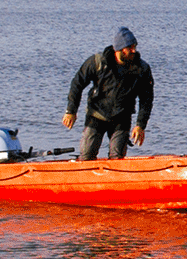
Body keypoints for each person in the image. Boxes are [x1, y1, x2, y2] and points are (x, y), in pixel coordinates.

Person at [63, 27, 154, 160]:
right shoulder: (98, 62)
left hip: (122, 118)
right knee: (87, 155)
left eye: (135, 46)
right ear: (119, 49)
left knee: (117, 157)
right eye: (130, 47)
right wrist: (71, 110)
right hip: (96, 114)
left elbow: (147, 99)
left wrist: (140, 125)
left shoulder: (142, 69)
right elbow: (77, 83)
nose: (134, 50)